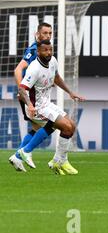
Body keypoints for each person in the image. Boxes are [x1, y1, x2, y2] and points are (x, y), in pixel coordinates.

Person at [8, 40, 84, 175]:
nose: (48, 52)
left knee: (71, 126)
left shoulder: (53, 61)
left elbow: (57, 77)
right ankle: (27, 151)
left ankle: (57, 160)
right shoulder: (34, 68)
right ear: (38, 52)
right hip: (35, 107)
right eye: (45, 50)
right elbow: (21, 89)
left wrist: (70, 92)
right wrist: (30, 106)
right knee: (63, 126)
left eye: (50, 49)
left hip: (46, 104)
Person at [13, 22, 52, 163]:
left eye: (50, 33)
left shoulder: (42, 50)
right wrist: (21, 89)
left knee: (37, 127)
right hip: (29, 96)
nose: (48, 35)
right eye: (45, 33)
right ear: (38, 34)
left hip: (34, 95)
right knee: (50, 123)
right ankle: (20, 155)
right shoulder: (34, 50)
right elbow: (17, 70)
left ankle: (18, 157)